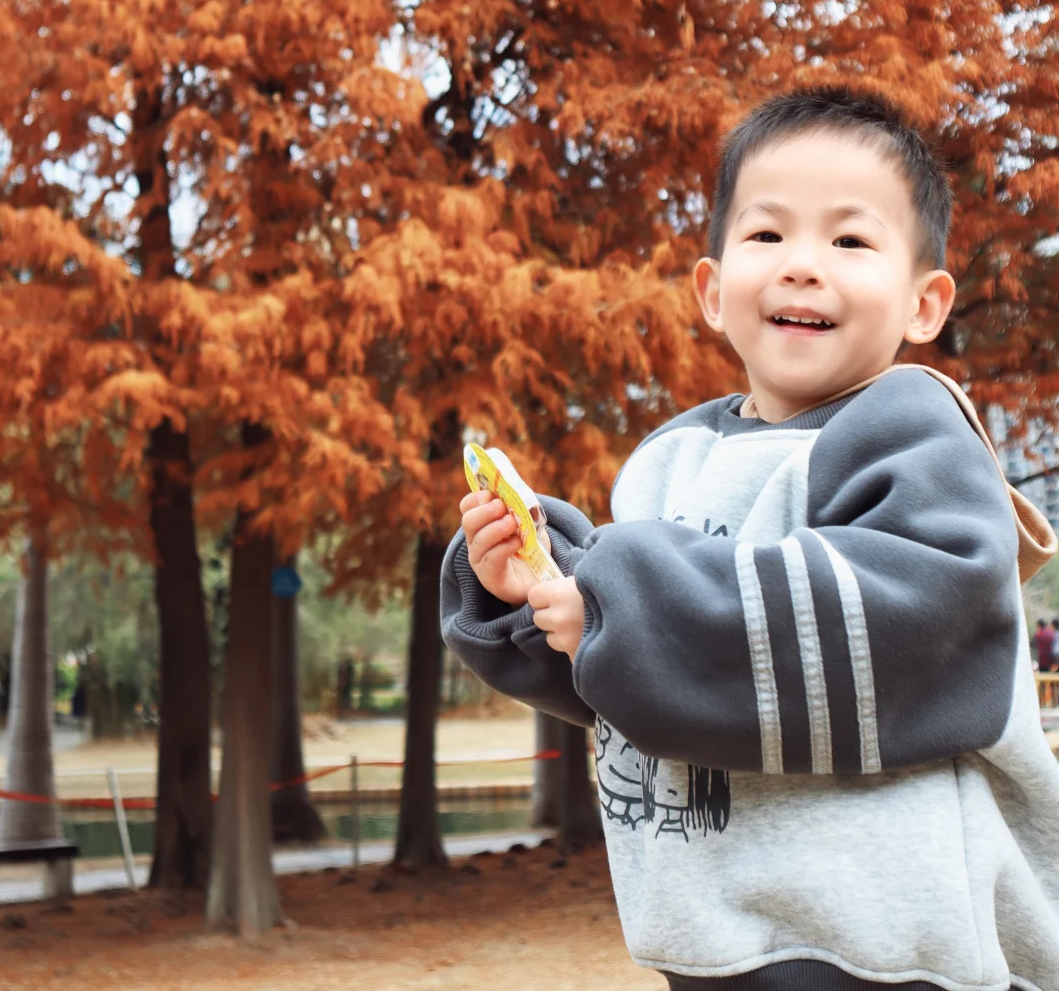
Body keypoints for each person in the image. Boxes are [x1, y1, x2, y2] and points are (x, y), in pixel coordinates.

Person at [442, 85, 1059, 991]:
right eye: (767, 234)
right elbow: (654, 679)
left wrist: (624, 607)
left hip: (889, 948)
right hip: (716, 933)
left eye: (850, 241)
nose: (802, 266)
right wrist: (536, 595)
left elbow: (923, 612)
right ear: (712, 290)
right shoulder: (670, 460)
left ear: (924, 305)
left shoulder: (912, 429)